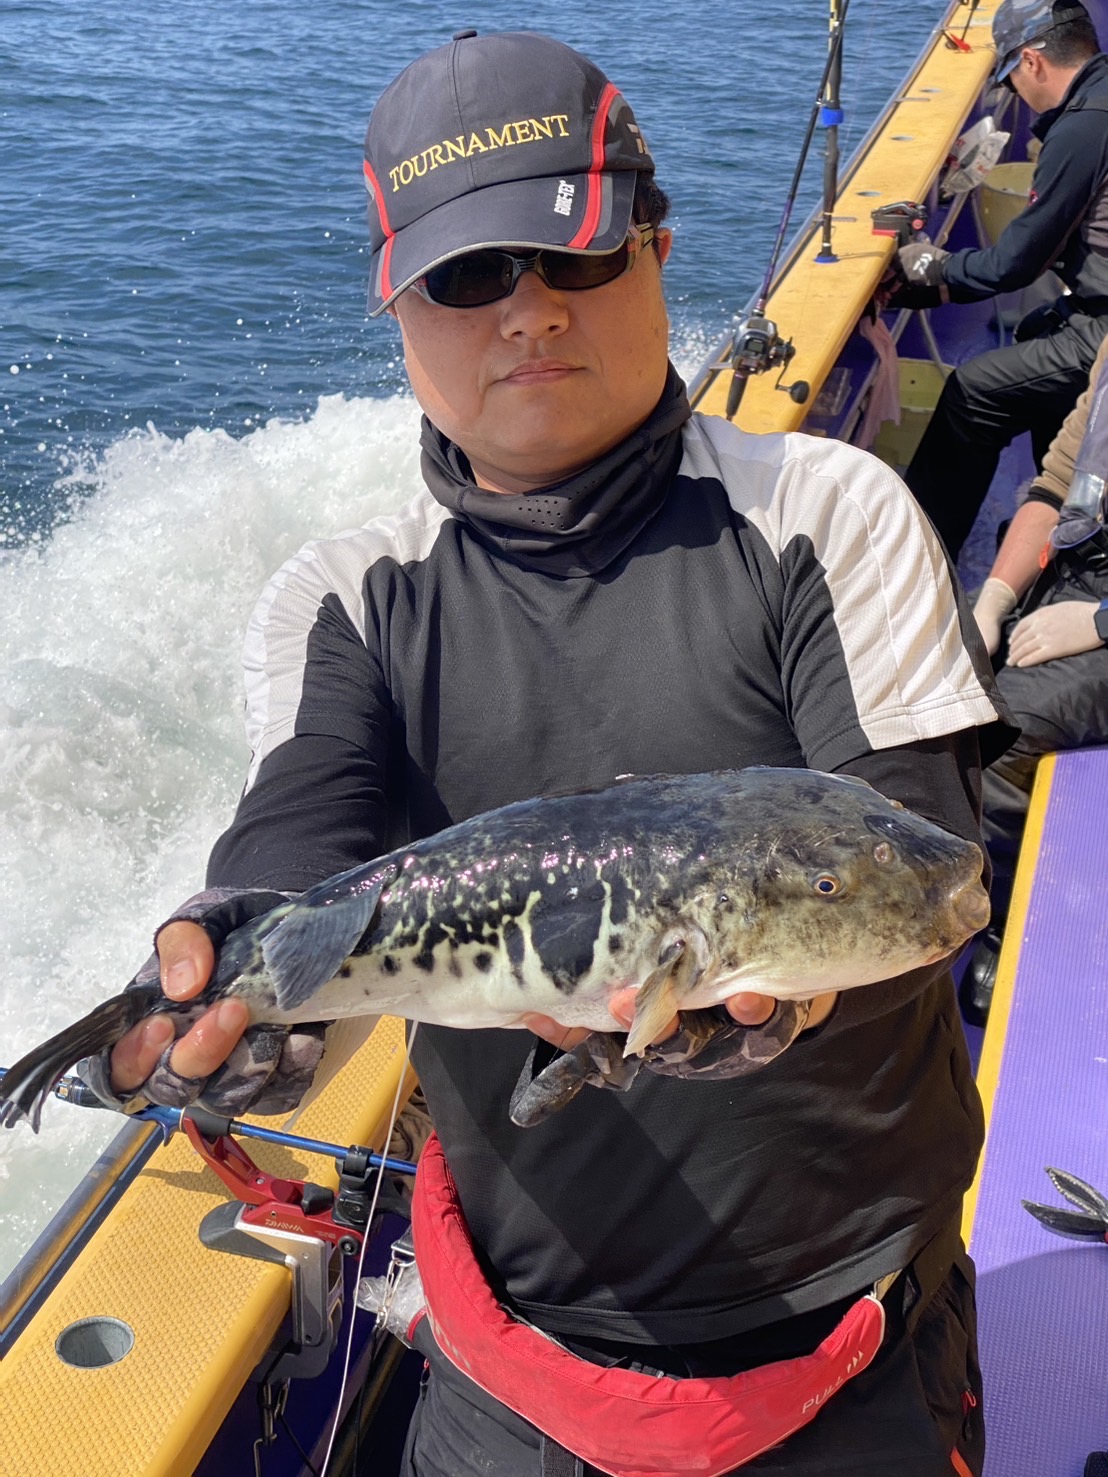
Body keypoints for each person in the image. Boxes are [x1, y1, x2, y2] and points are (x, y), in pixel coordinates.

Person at [87, 31, 1014, 1476]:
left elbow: (901, 845)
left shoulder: (821, 513)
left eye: (573, 255)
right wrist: (235, 987)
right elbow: (302, 830)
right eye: (467, 278)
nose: (526, 311)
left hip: (859, 1351)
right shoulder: (347, 600)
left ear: (655, 251)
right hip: (509, 1376)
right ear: (399, 310)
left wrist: (769, 1004)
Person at [887, 0, 1108, 560]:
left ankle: (924, 558)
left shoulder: (1084, 128)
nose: (1014, 92)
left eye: (1010, 78)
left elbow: (1015, 263)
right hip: (1094, 309)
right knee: (1036, 334)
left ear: (1032, 61)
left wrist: (932, 267)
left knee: (974, 393)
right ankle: (1058, 513)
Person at [963, 332, 1108, 1018]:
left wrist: (1101, 622)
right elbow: (1056, 485)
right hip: (1082, 568)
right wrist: (992, 601)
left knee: (1002, 737)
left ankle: (1004, 917)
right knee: (938, 682)